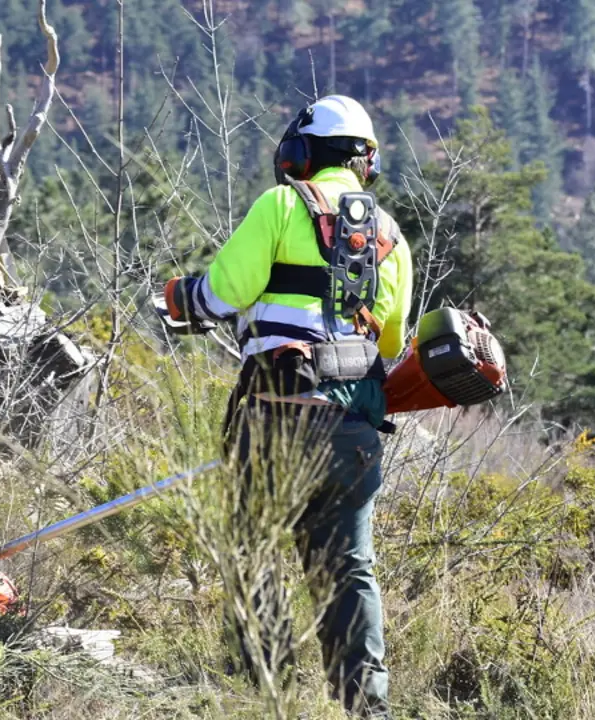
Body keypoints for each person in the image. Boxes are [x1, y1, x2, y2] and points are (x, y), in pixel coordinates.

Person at [163, 94, 413, 718]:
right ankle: (367, 707)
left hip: (276, 416)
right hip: (354, 428)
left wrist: (178, 297)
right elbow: (390, 340)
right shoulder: (391, 237)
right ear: (365, 163)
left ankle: (264, 697)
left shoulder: (281, 205)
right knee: (351, 571)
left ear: (304, 154)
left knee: (252, 555)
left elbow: (222, 295)